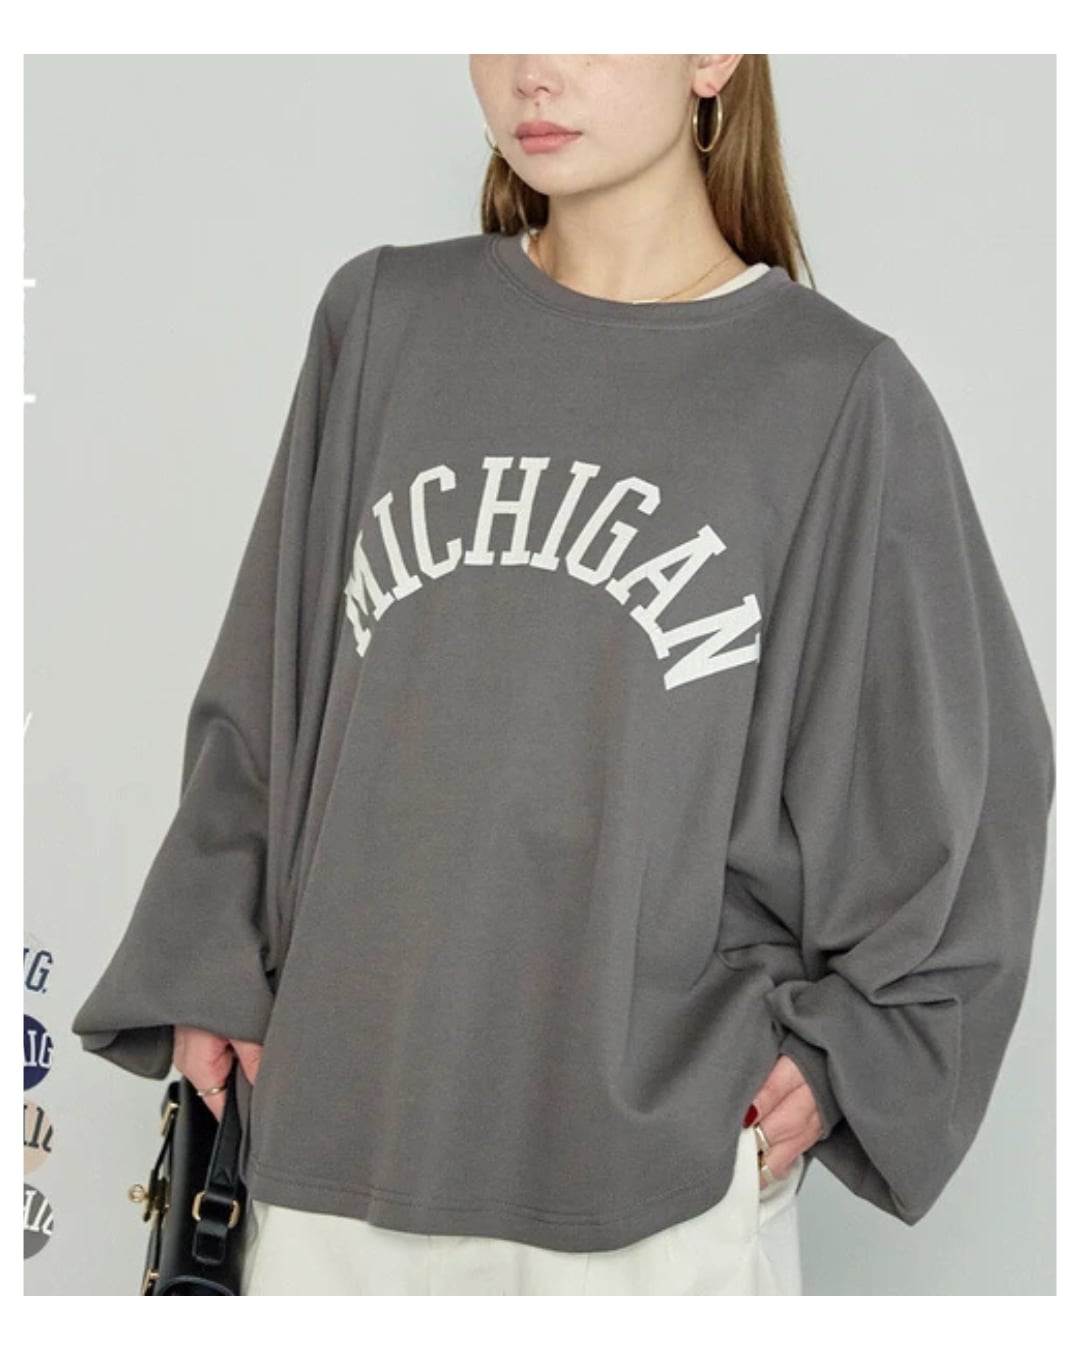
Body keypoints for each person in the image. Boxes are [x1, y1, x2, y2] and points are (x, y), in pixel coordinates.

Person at [71, 54, 1055, 1296]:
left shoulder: (832, 394)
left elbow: (973, 779)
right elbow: (266, 689)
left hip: (653, 1192)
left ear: (712, 51)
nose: (533, 66)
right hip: (336, 1147)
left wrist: (855, 1052)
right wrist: (214, 961)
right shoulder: (385, 322)